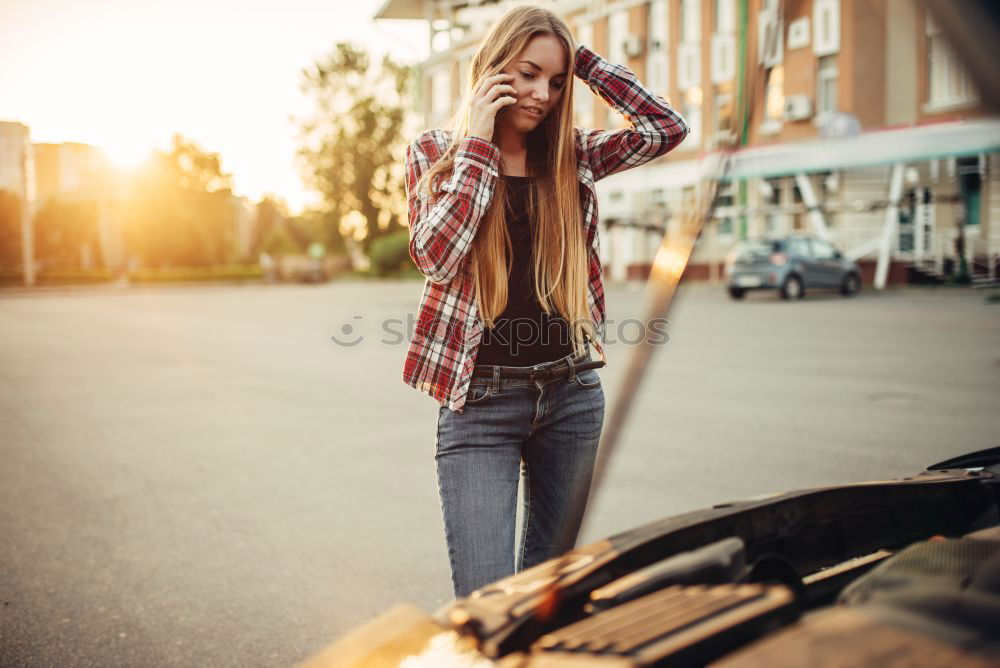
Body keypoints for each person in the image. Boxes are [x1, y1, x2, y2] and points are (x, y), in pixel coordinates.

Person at [402, 5, 688, 599]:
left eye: (556, 83)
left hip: (572, 397)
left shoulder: (572, 155)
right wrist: (478, 144)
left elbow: (665, 129)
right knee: (487, 603)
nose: (542, 94)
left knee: (545, 598)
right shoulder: (435, 152)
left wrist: (580, 60)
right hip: (479, 404)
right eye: (529, 74)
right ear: (492, 68)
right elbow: (436, 254)